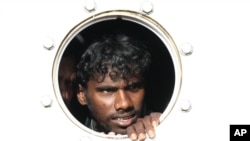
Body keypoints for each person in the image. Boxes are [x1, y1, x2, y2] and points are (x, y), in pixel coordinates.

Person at [76, 33, 161, 141]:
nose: (124, 104)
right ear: (82, 94)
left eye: (133, 87)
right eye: (107, 90)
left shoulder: (159, 126)